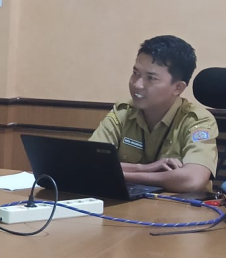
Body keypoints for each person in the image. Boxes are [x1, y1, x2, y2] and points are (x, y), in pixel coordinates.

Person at [90, 35, 218, 193]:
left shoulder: (197, 120)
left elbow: (192, 180)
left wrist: (122, 175)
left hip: (177, 206)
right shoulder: (123, 111)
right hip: (125, 202)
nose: (137, 84)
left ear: (177, 88)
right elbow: (89, 162)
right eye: (135, 73)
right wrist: (146, 168)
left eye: (151, 78)